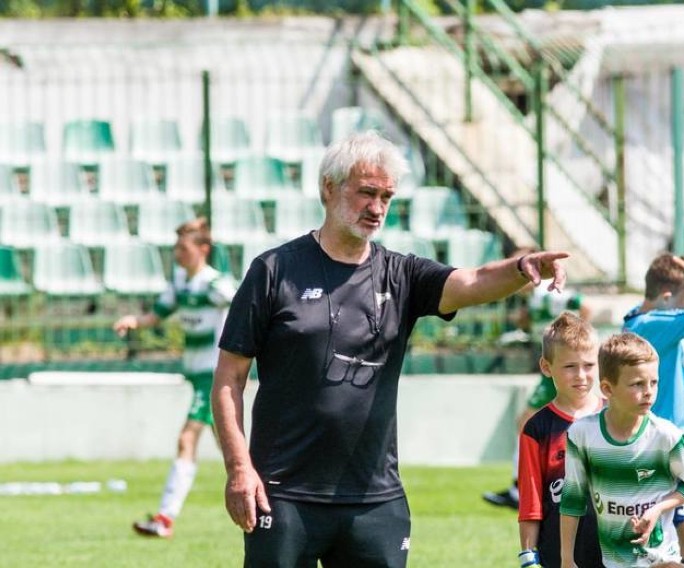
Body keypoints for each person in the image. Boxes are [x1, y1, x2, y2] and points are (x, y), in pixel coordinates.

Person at [210, 130, 572, 568]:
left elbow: (473, 281)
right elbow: (229, 378)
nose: (377, 208)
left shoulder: (400, 275)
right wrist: (238, 467)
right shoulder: (273, 271)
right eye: (366, 193)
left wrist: (521, 267)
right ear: (328, 188)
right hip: (283, 495)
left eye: (386, 196)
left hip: (374, 499)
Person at [114, 217, 237, 538]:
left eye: (183, 248)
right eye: (175, 248)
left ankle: (165, 519)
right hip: (196, 376)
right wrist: (134, 321)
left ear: (203, 249)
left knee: (186, 440)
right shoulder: (181, 283)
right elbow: (157, 314)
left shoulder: (215, 285)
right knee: (232, 452)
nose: (177, 254)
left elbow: (244, 307)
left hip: (212, 378)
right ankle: (269, 504)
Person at [560, 332, 684, 568]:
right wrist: (567, 559)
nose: (649, 391)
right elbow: (572, 499)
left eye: (654, 382)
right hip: (615, 561)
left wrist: (658, 509)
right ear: (608, 389)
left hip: (661, 557)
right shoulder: (582, 435)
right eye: (637, 384)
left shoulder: (666, 436)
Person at [622, 253, 684, 568]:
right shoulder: (655, 324)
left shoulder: (638, 317)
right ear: (667, 298)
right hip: (664, 443)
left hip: (660, 440)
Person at [484, 258, 591, 510]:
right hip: (551, 369)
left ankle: (521, 489)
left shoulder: (545, 295)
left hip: (555, 372)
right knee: (539, 425)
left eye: (515, 269)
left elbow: (585, 306)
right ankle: (536, 485)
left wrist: (576, 344)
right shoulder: (534, 300)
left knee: (528, 423)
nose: (510, 274)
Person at [517, 312, 604, 568]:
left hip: (615, 552)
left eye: (589, 365)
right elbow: (530, 502)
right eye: (570, 366)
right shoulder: (537, 429)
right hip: (557, 554)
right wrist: (527, 556)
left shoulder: (616, 416)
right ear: (546, 367)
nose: (581, 375)